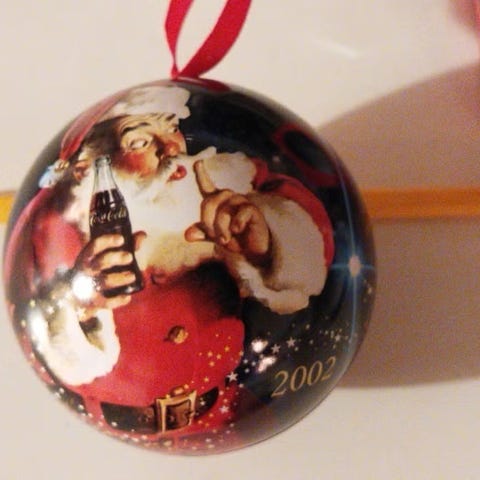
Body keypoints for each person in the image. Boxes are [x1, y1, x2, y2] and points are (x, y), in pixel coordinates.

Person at [5, 85, 334, 452]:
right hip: (115, 441)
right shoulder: (53, 232)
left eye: (172, 127)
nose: (173, 149)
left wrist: (265, 245)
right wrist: (81, 306)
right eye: (141, 141)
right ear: (90, 167)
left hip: (232, 419)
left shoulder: (221, 192)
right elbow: (43, 330)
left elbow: (310, 236)